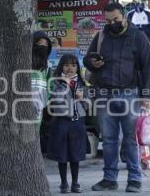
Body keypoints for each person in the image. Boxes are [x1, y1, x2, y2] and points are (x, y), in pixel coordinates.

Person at [83, 3, 150, 193]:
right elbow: (87, 59)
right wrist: (93, 62)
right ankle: (109, 178)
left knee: (131, 139)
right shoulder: (101, 36)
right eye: (108, 21)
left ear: (124, 17)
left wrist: (147, 95)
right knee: (108, 140)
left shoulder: (138, 37)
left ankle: (134, 178)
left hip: (130, 94)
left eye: (115, 20)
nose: (111, 23)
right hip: (104, 94)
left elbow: (149, 66)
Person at [47, 54, 88, 194]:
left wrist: (83, 99)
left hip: (77, 123)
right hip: (62, 123)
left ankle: (75, 183)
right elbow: (56, 101)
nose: (70, 68)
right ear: (61, 67)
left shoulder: (82, 84)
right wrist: (65, 84)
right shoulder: (57, 83)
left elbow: (88, 105)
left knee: (75, 155)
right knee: (62, 155)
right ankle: (64, 183)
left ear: (78, 67)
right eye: (66, 65)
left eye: (73, 65)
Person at [31, 30, 52, 153]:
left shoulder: (46, 67)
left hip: (39, 107)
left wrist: (47, 100)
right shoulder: (25, 63)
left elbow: (49, 85)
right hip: (24, 105)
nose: (43, 47)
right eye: (40, 44)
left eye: (45, 45)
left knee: (35, 134)